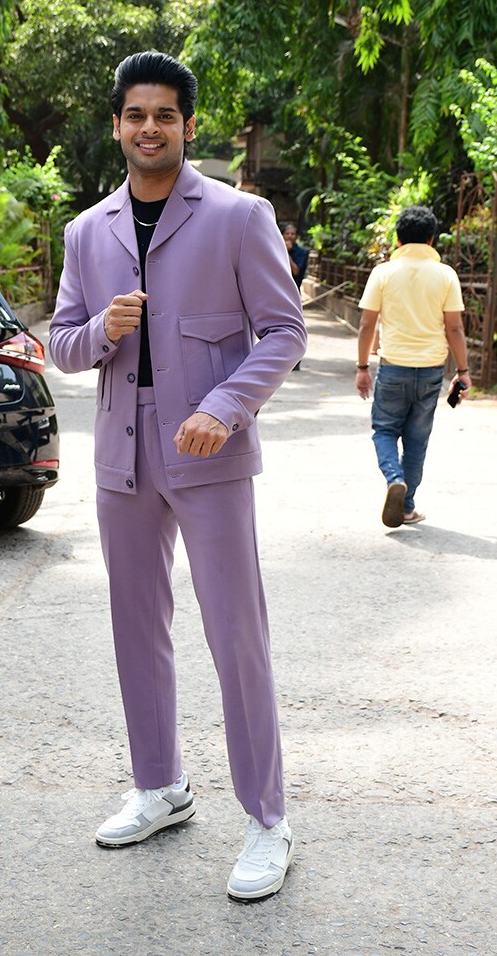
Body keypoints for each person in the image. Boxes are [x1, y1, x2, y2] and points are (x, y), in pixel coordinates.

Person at [48, 51, 306, 902]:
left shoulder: (238, 216)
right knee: (135, 628)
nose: (149, 128)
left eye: (165, 115)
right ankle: (161, 786)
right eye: (134, 115)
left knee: (237, 636)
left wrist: (224, 406)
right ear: (117, 125)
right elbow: (61, 344)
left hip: (208, 452)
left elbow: (283, 332)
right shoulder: (88, 233)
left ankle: (268, 819)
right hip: (123, 454)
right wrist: (104, 330)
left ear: (188, 126)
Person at [355, 204, 471, 527]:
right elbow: (455, 329)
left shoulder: (383, 273)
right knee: (417, 441)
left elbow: (366, 325)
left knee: (384, 429)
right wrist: (462, 372)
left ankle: (394, 478)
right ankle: (406, 505)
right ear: (432, 239)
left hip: (393, 368)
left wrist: (362, 366)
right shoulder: (446, 275)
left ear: (398, 239)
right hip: (432, 370)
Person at [281, 223, 308, 369]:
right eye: (287, 234)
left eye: (293, 234)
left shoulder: (301, 252)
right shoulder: (274, 248)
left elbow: (296, 271)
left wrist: (287, 254)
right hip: (277, 293)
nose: (290, 236)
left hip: (294, 294)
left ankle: (295, 362)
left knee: (294, 327)